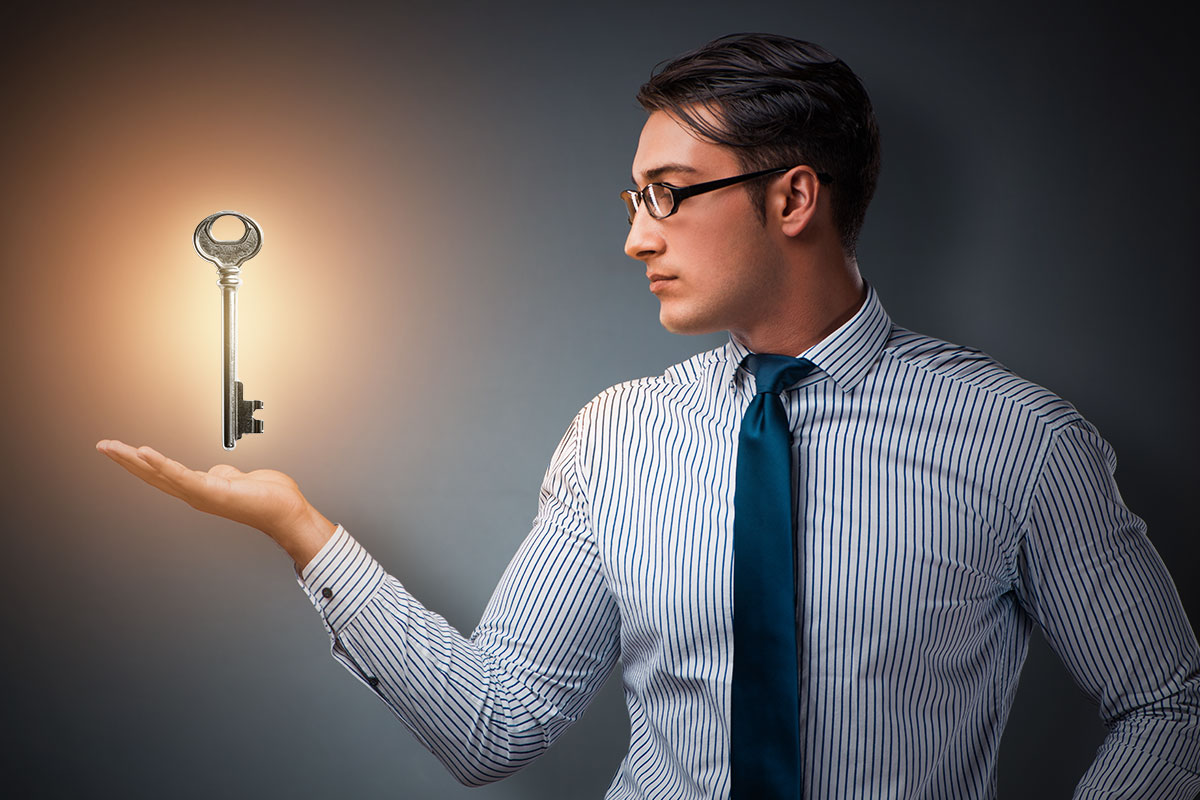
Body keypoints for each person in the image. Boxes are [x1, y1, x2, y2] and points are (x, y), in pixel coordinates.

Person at [96, 33, 1199, 799]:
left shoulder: (1019, 438)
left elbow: (1170, 703)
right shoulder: (619, 436)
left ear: (794, 197)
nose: (637, 237)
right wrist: (300, 528)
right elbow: (496, 721)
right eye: (635, 200)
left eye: (669, 194)